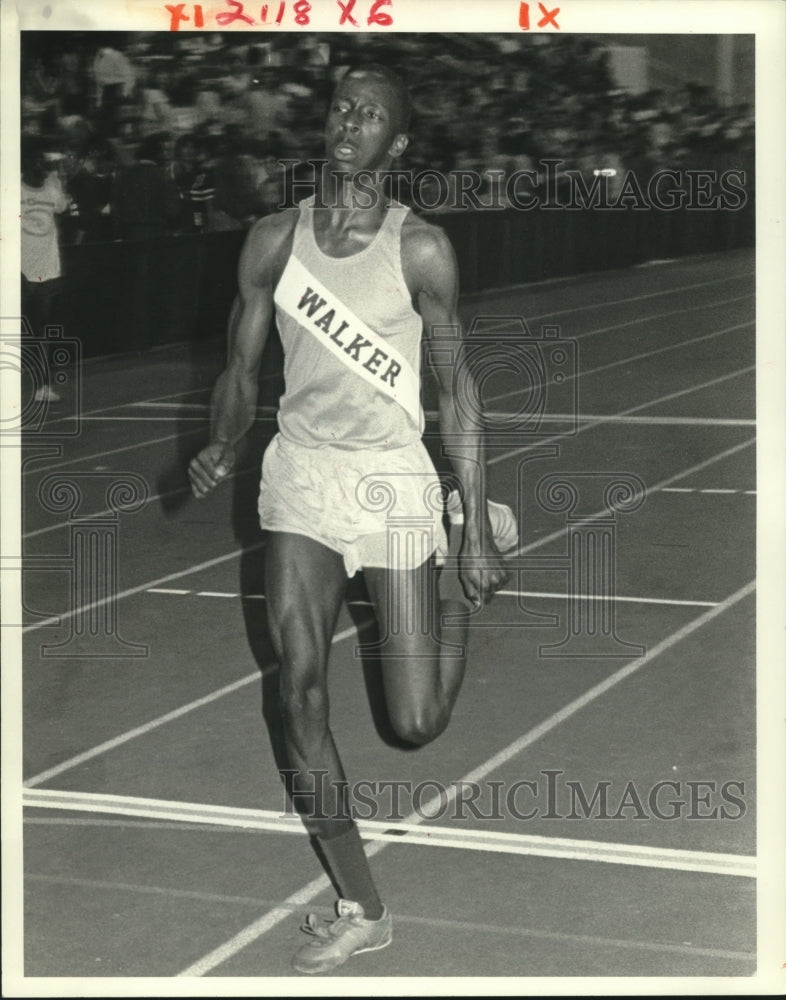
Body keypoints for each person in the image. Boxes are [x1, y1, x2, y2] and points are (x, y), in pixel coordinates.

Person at [188, 65, 517, 974]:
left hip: (392, 481)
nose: (351, 122)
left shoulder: (423, 251)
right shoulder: (269, 241)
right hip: (301, 477)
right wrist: (221, 439)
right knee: (297, 685)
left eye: (372, 116)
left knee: (414, 722)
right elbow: (240, 366)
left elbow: (458, 392)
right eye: (342, 107)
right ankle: (359, 902)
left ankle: (454, 556)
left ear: (397, 146)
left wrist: (475, 530)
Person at [21, 135, 70, 403]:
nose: (46, 165)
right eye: (41, 160)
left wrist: (60, 177)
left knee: (43, 328)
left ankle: (43, 386)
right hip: (19, 269)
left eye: (48, 160)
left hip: (48, 268)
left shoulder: (52, 187)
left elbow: (63, 207)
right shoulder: (13, 187)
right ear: (28, 161)